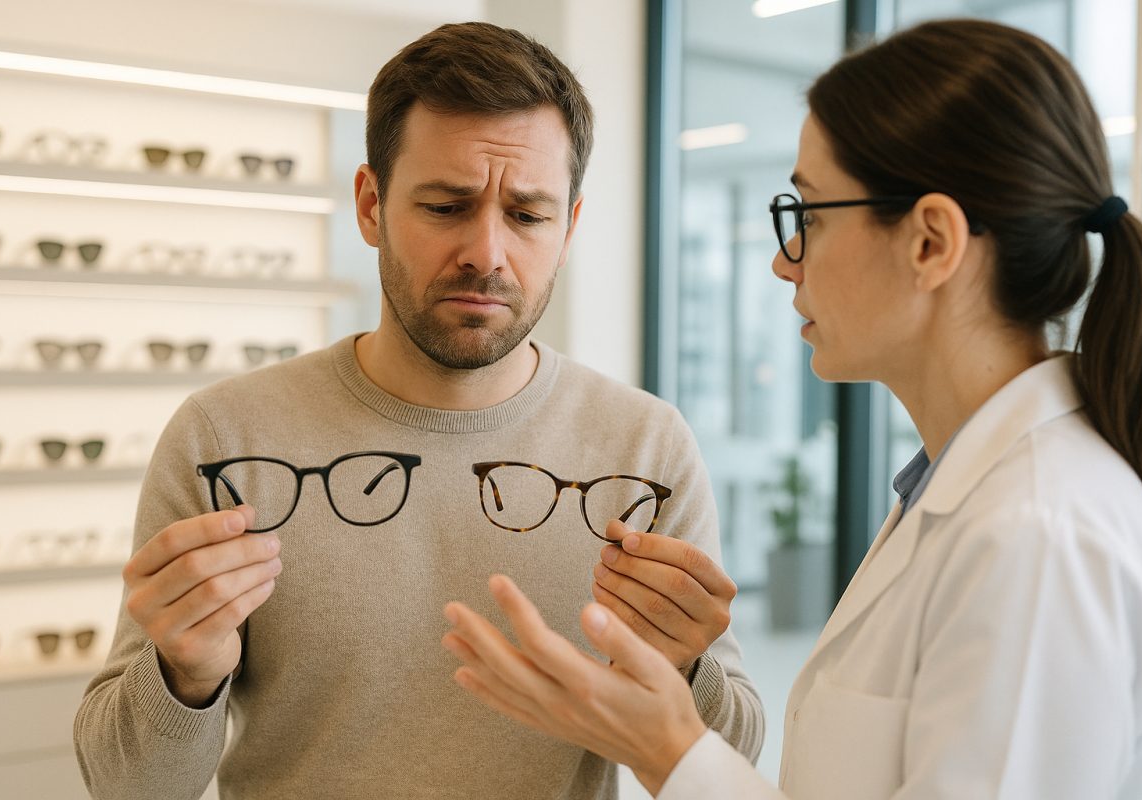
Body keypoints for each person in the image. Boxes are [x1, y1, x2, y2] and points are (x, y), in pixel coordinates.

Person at [442, 18, 1142, 800]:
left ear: (930, 242)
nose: (783, 259)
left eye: (811, 216)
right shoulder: (965, 493)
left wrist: (669, 749)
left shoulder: (1038, 534)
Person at [72, 21, 763, 800]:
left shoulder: (644, 451)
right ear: (370, 205)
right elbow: (126, 785)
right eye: (445, 206)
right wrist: (184, 674)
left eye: (528, 216)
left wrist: (683, 665)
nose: (488, 253)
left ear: (567, 229)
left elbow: (730, 761)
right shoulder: (226, 439)